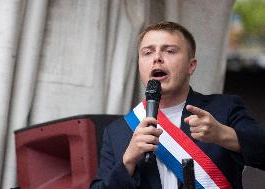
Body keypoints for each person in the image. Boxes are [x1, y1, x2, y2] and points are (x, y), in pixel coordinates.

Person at [90, 21, 265, 189]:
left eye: (170, 51)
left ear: (191, 65)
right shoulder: (117, 132)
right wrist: (127, 162)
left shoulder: (224, 108)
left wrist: (224, 135)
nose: (157, 58)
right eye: (148, 52)